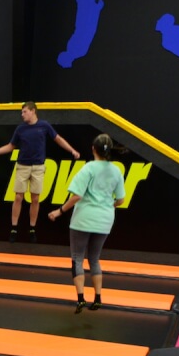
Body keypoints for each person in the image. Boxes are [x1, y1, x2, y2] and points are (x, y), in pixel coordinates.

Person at [47, 133, 126, 313]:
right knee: (94, 259)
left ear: (93, 149)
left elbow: (77, 196)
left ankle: (81, 298)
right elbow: (121, 200)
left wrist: (59, 211)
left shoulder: (88, 168)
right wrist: (108, 206)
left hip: (83, 219)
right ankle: (98, 297)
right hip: (105, 220)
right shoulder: (116, 171)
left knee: (77, 258)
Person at [0, 102, 81, 243]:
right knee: (18, 197)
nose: (22, 115)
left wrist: (72, 150)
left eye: (24, 112)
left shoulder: (44, 125)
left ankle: (32, 228)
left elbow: (58, 139)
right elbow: (10, 146)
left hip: (38, 167)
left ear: (33, 111)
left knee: (35, 198)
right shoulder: (20, 129)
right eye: (21, 112)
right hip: (22, 166)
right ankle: (14, 228)